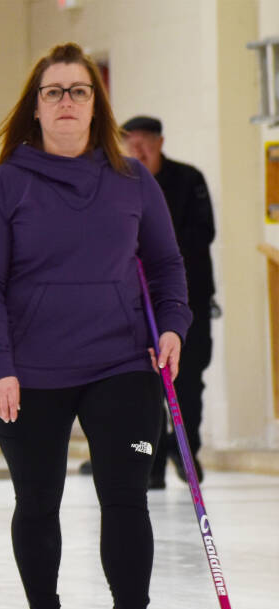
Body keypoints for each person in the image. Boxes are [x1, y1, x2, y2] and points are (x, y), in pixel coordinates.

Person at [0, 43, 190, 609]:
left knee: (126, 497)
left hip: (121, 359)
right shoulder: (6, 183)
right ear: (35, 109)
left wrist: (172, 325)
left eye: (78, 90)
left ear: (97, 104)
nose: (66, 101)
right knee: (38, 500)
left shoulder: (130, 179)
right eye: (53, 91)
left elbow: (168, 265)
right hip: (28, 369)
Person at [121, 115, 216, 487]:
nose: (138, 149)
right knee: (146, 388)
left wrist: (159, 248)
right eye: (131, 142)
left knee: (189, 379)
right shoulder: (125, 183)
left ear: (160, 142)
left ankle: (185, 448)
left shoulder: (188, 180)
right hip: (140, 303)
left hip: (187, 300)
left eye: (144, 141)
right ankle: (152, 461)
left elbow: (203, 233)